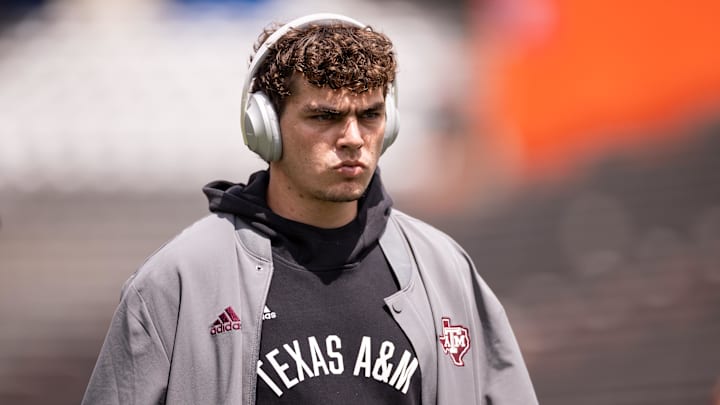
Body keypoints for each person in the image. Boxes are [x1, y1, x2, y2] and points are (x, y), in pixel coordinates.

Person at [82, 13, 538, 405]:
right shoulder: (177, 281)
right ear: (264, 128)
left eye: (371, 115)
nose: (353, 138)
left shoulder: (446, 270)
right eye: (325, 117)